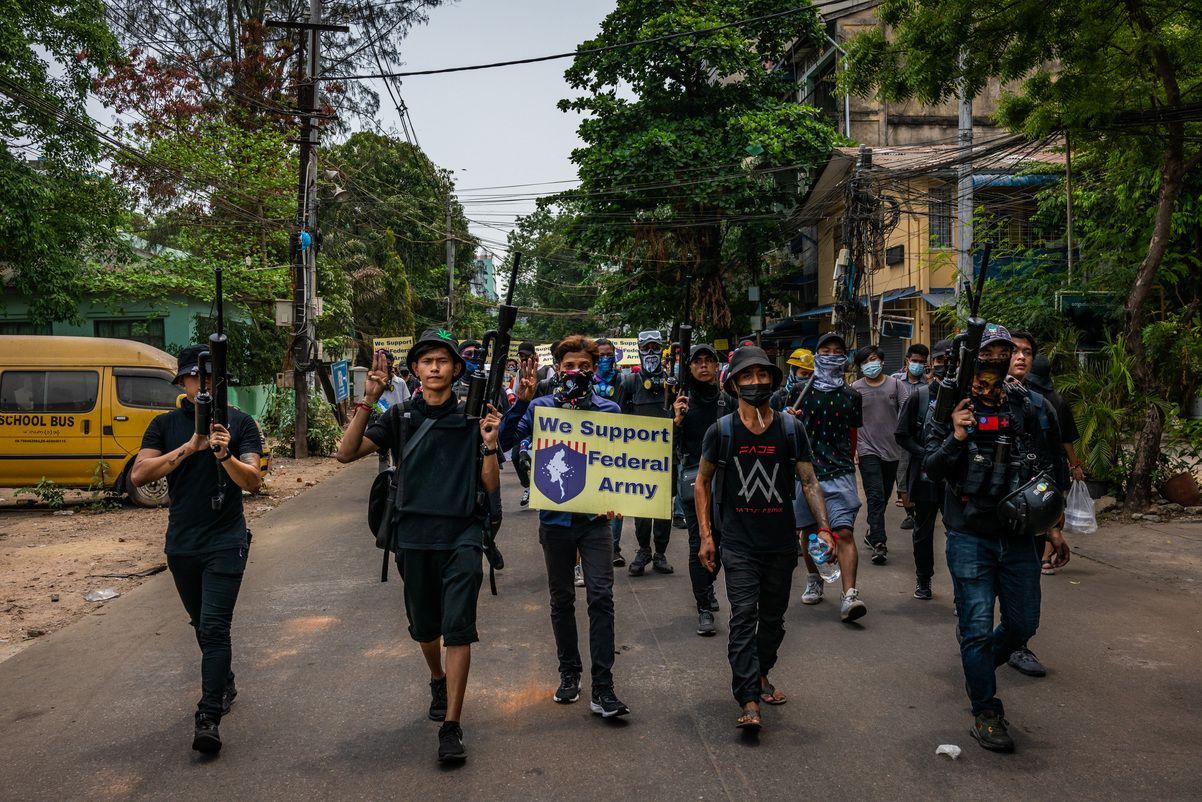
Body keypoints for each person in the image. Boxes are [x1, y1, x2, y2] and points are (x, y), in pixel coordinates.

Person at [334, 330, 502, 764]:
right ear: (415, 371)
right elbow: (345, 453)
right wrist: (369, 398)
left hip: (463, 533)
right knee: (426, 628)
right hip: (412, 536)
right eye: (426, 361)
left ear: (456, 369)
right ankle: (436, 676)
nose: (434, 367)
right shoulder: (401, 417)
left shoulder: (473, 416)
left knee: (459, 627)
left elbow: (489, 484)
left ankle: (452, 725)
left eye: (442, 361)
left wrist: (490, 444)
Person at [923, 323, 1069, 753]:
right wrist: (957, 434)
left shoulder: (1031, 404)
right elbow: (931, 467)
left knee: (1023, 623)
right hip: (970, 535)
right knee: (975, 626)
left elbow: (1048, 469)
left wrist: (1054, 526)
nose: (997, 361)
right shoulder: (948, 403)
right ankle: (986, 710)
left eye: (1005, 352)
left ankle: (979, 664)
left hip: (1020, 534)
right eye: (988, 353)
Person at [693, 346, 837, 731]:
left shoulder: (791, 428)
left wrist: (824, 527)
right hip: (738, 543)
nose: (756, 383)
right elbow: (702, 482)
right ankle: (749, 698)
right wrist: (707, 537)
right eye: (747, 376)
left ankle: (760, 672)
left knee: (773, 620)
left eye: (762, 376)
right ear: (734, 383)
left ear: (772, 381)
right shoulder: (721, 431)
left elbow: (808, 480)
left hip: (779, 543)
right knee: (743, 616)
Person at [129, 343, 264, 755]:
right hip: (182, 545)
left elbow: (253, 482)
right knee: (199, 623)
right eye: (193, 377)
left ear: (218, 382)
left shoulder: (241, 424)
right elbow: (139, 474)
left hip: (226, 541)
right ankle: (223, 681)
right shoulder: (164, 425)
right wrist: (192, 445)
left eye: (207, 378)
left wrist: (223, 453)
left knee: (213, 627)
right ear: (183, 381)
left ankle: (207, 716)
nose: (200, 384)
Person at [500, 336, 630, 718]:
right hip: (555, 520)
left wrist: (621, 499)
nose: (576, 372)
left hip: (594, 522)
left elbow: (623, 461)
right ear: (558, 369)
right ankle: (569, 674)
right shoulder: (540, 407)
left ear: (594, 370)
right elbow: (508, 442)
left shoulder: (609, 409)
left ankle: (603, 688)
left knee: (601, 598)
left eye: (584, 367)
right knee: (561, 601)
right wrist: (521, 402)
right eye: (569, 366)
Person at [1004, 330, 1074, 679]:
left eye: (1027, 352)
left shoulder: (1042, 406)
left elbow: (1051, 468)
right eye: (1013, 351)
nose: (1020, 357)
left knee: (1026, 596)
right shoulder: (974, 401)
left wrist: (1053, 528)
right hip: (981, 519)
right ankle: (977, 636)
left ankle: (1017, 643)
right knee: (979, 593)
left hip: (1029, 517)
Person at [791, 332, 866, 621]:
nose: (832, 355)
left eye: (838, 351)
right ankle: (815, 578)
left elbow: (853, 433)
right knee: (810, 534)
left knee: (844, 532)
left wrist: (852, 460)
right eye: (826, 350)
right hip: (806, 473)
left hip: (841, 472)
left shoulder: (852, 397)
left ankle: (849, 595)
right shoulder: (798, 392)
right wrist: (789, 417)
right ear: (816, 355)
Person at [671, 344, 736, 636]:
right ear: (690, 368)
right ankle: (704, 608)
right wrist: (676, 423)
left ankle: (708, 587)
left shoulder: (729, 402)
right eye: (697, 361)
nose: (704, 366)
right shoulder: (680, 404)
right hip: (692, 481)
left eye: (710, 361)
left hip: (726, 482)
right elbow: (661, 447)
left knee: (721, 541)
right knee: (700, 540)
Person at [894, 339, 952, 599]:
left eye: (951, 361)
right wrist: (925, 454)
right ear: (932, 364)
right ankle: (923, 579)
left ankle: (962, 589)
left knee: (958, 534)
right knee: (923, 531)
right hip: (926, 476)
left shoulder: (966, 398)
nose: (945, 366)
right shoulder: (919, 396)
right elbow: (902, 435)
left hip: (956, 478)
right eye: (940, 361)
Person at [619, 330, 676, 576]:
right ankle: (643, 550)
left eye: (655, 347)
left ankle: (660, 553)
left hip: (666, 456)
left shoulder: (672, 383)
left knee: (663, 507)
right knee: (642, 508)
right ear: (639, 350)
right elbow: (618, 420)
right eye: (646, 348)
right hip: (638, 458)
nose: (651, 353)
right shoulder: (629, 383)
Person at [852, 344, 906, 566]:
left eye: (872, 360)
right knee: (874, 495)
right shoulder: (855, 388)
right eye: (864, 362)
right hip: (867, 449)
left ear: (882, 362)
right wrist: (853, 448)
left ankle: (871, 531)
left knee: (882, 496)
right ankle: (879, 542)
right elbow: (851, 422)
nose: (869, 365)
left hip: (892, 450)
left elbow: (906, 413)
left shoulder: (896, 385)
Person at [891, 343, 929, 531]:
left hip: (922, 437)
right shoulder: (895, 382)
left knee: (921, 472)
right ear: (907, 360)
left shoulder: (929, 384)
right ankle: (909, 513)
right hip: (901, 437)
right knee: (902, 472)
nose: (918, 365)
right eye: (914, 361)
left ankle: (919, 509)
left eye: (922, 362)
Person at [376, 350, 412, 474]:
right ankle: (383, 482)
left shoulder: (400, 383)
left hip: (398, 422)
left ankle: (398, 478)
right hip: (382, 422)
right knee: (382, 455)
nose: (387, 367)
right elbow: (371, 403)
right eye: (384, 364)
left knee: (398, 453)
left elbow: (406, 401)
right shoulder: (374, 382)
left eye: (389, 363)